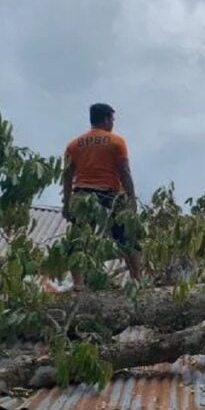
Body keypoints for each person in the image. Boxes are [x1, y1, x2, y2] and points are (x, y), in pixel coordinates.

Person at [62, 103, 142, 283]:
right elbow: (125, 172)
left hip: (82, 197)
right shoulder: (116, 142)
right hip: (110, 195)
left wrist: (66, 204)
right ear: (106, 119)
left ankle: (78, 285)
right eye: (112, 119)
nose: (113, 123)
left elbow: (67, 177)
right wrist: (131, 199)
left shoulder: (73, 145)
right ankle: (138, 279)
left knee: (78, 240)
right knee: (126, 238)